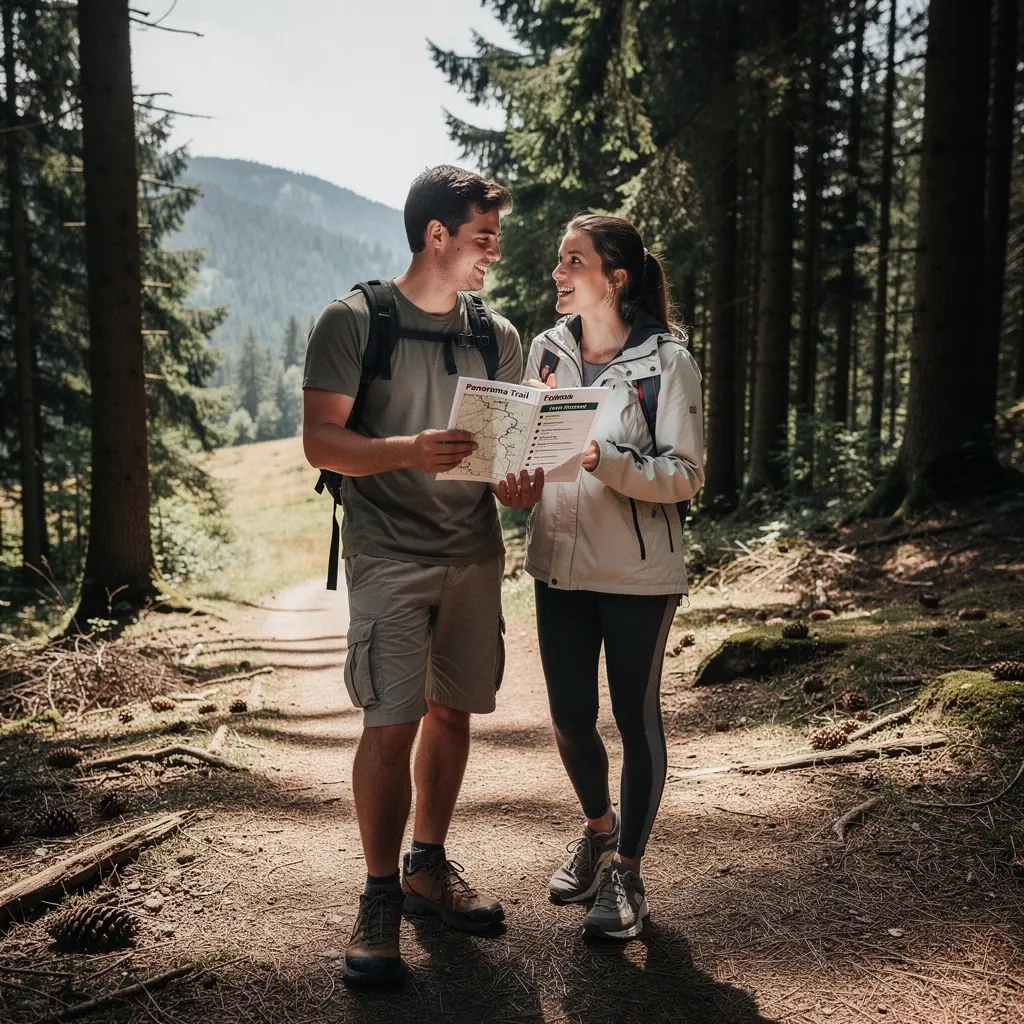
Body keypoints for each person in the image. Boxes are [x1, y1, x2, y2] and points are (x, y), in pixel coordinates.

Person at [302, 165, 543, 985]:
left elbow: (511, 467)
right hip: (387, 552)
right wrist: (406, 450)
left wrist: (522, 482)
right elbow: (322, 444)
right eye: (483, 238)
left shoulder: (497, 336)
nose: (493, 255)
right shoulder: (353, 320)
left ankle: (427, 865)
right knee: (390, 720)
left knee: (452, 710)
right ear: (436, 234)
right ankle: (378, 898)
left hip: (473, 552)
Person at [523, 214, 705, 940]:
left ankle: (628, 875)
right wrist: (516, 482)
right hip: (558, 566)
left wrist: (610, 463)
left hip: (637, 574)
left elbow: (687, 476)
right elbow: (530, 445)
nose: (559, 274)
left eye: (573, 261)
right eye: (558, 261)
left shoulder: (667, 362)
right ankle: (600, 833)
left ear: (616, 277)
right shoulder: (545, 351)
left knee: (635, 720)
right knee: (569, 716)